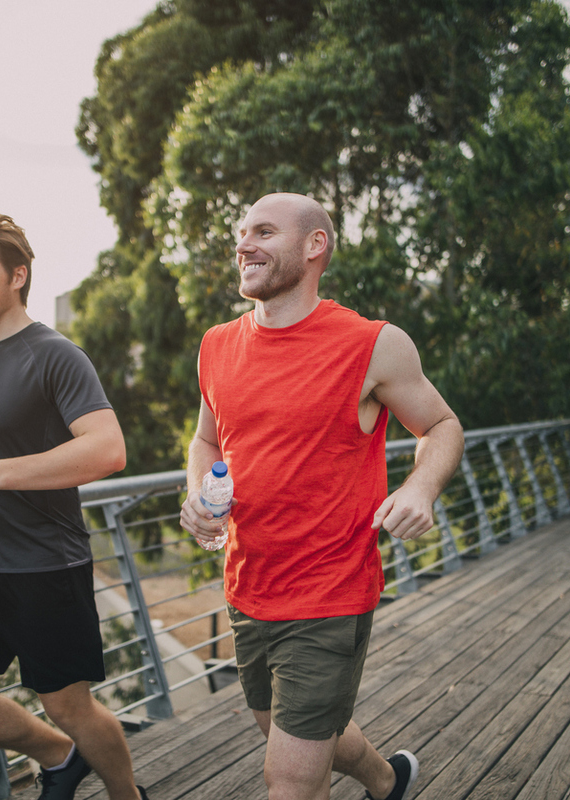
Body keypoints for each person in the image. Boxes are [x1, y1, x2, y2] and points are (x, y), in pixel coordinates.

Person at [179, 193, 464, 800]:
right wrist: (199, 494)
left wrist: (421, 487)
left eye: (263, 231)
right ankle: (388, 781)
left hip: (330, 593)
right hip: (248, 586)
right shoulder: (216, 345)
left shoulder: (373, 344)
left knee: (288, 779)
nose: (243, 244)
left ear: (315, 246)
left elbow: (442, 427)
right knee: (285, 727)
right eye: (241, 232)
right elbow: (206, 440)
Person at [0, 214, 149, 800]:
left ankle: (128, 796)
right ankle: (57, 755)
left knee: (72, 707)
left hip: (46, 565)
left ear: (18, 275)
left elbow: (108, 449)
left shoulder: (57, 354)